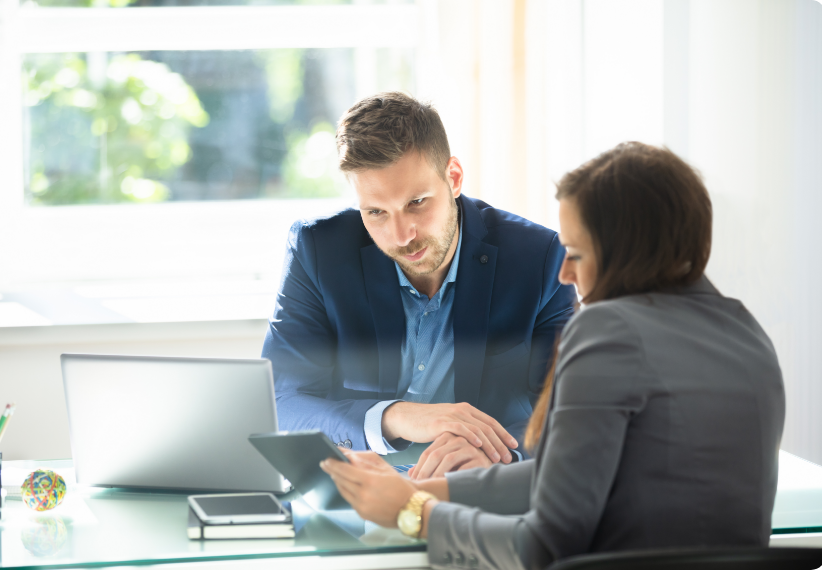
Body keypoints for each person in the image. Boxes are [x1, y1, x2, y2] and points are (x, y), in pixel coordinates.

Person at [321, 142, 786, 569]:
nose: (564, 274)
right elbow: (562, 478)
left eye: (577, 255)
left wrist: (411, 511)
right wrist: (422, 489)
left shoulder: (609, 329)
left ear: (629, 254)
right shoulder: (745, 332)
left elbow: (544, 546)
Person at [262, 92, 576, 475]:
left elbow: (568, 408)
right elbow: (282, 401)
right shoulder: (318, 251)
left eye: (417, 203)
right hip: (353, 492)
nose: (400, 235)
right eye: (376, 212)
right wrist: (393, 418)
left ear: (454, 178)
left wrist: (502, 455)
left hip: (477, 490)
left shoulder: (539, 258)